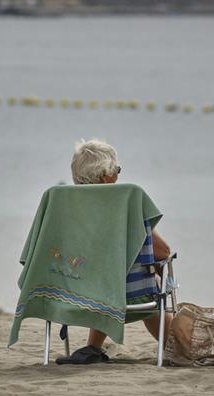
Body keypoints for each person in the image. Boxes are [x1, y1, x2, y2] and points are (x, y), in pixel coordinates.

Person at [71, 139, 172, 350]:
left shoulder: (67, 205)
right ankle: (173, 345)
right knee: (146, 280)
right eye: (117, 170)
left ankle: (93, 348)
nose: (118, 175)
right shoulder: (126, 202)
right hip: (129, 295)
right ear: (107, 176)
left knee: (107, 279)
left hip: (75, 291)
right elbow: (162, 251)